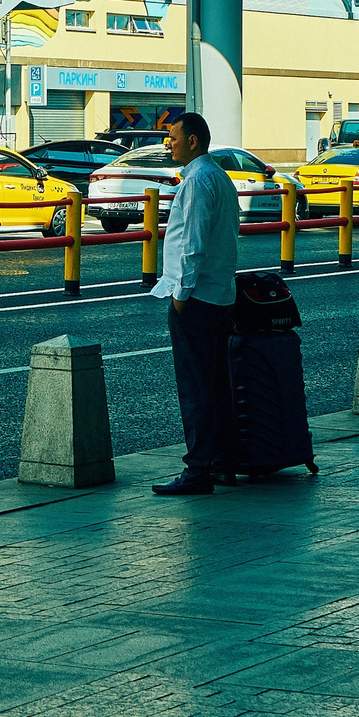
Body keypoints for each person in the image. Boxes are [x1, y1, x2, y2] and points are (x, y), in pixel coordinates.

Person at [150, 113, 241, 497]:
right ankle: (221, 464)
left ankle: (198, 470)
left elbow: (193, 244)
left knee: (196, 388)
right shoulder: (217, 176)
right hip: (220, 295)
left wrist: (181, 295)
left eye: (172, 137)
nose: (168, 143)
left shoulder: (198, 182)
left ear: (192, 141)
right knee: (218, 383)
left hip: (198, 298)